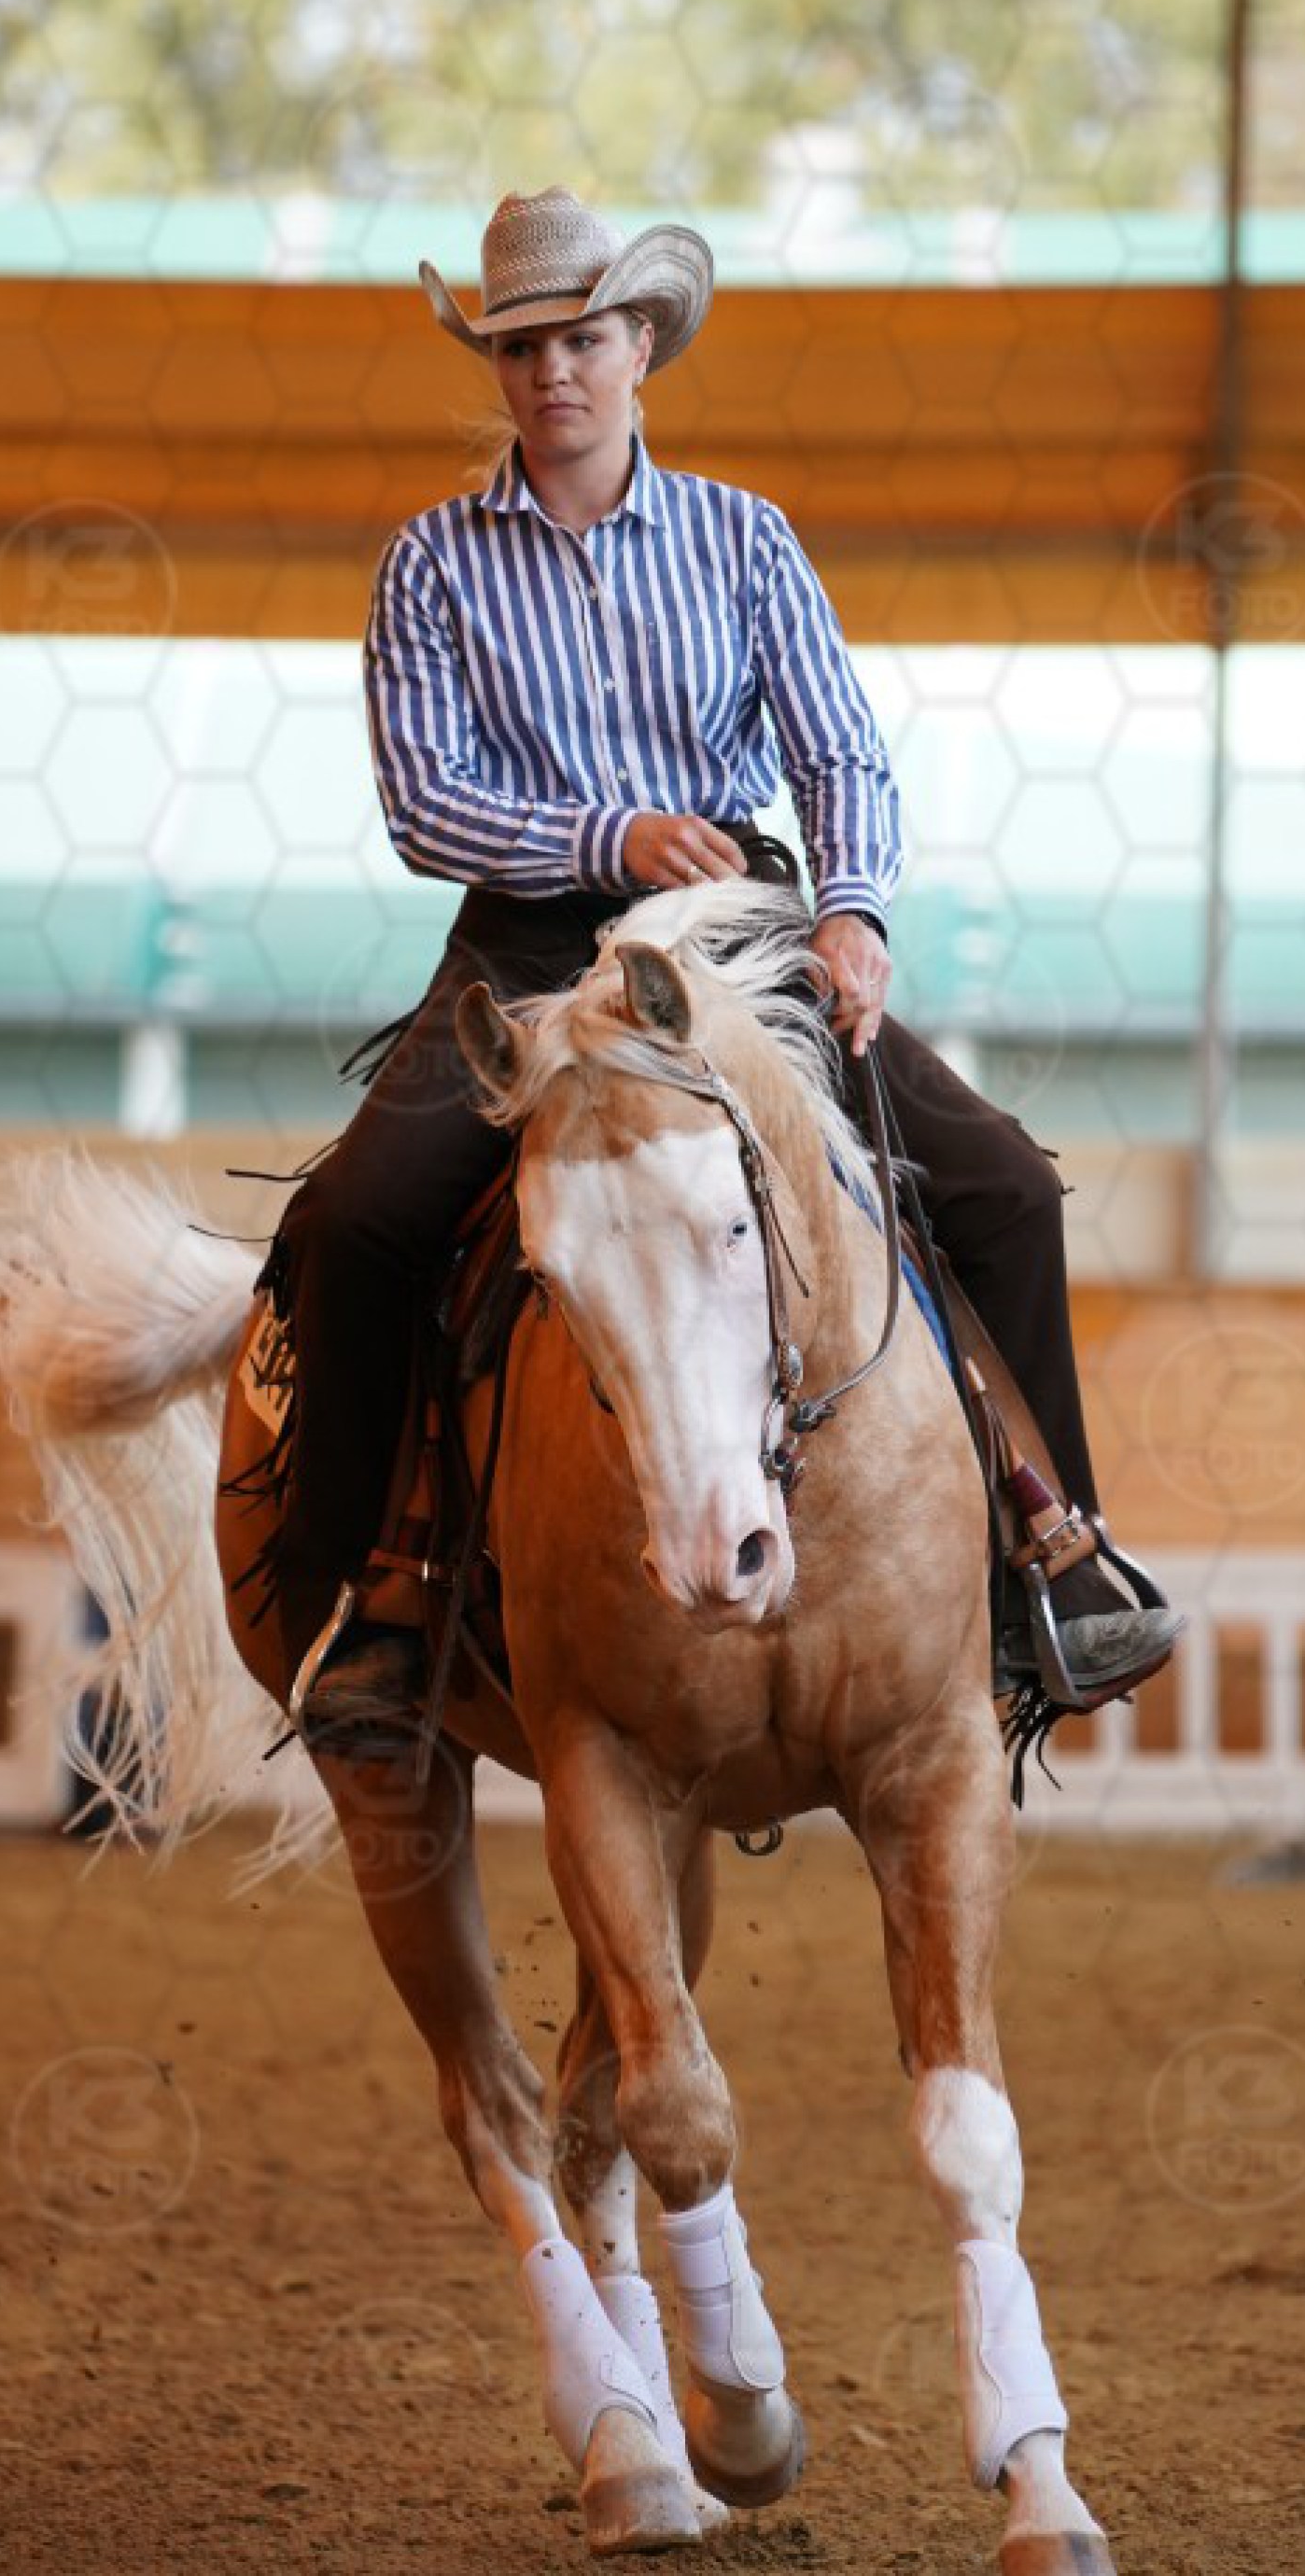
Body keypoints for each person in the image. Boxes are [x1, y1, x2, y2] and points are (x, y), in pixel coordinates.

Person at [246, 187, 1182, 1741]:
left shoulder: (745, 536)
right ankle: (366, 1604)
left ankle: (1054, 1560)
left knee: (1005, 1186)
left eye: (583, 338)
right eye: (522, 346)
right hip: (530, 943)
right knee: (358, 1220)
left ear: (641, 346)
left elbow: (840, 753)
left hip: (734, 938)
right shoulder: (430, 564)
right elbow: (425, 803)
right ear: (497, 367)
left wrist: (854, 911)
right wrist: (610, 834)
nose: (554, 369)